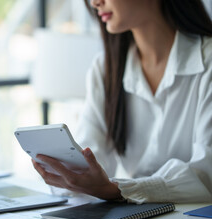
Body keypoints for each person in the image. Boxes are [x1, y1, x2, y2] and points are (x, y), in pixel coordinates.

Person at [32, 0, 212, 203]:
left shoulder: (208, 63)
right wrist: (71, 174)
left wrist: (118, 189)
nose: (95, 3)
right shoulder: (106, 69)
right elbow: (91, 153)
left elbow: (206, 173)